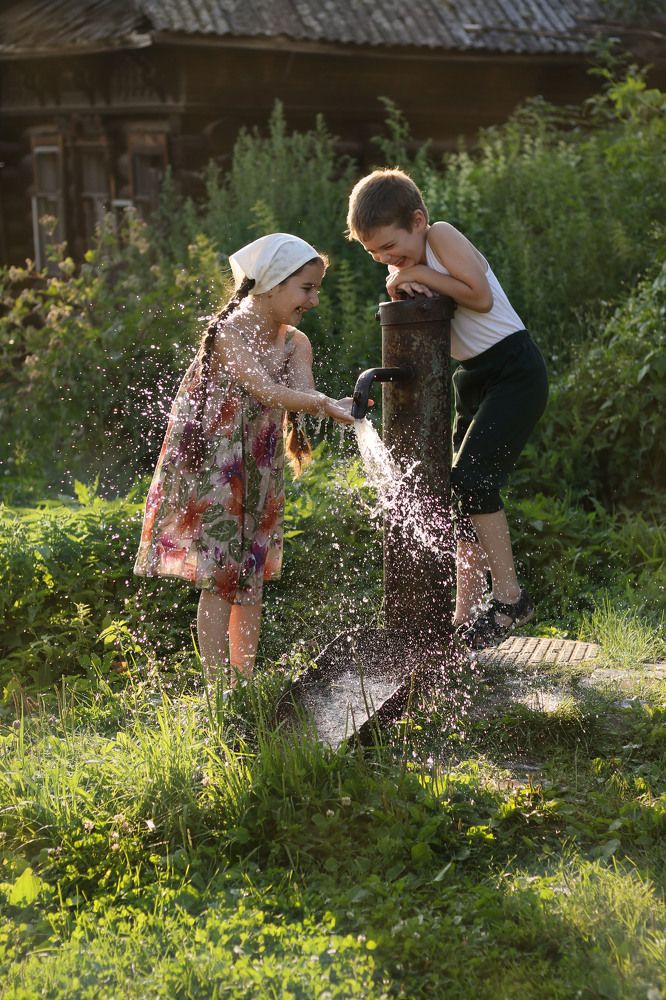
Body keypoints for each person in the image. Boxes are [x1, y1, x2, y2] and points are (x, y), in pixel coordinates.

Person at [134, 233, 354, 684]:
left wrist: (336, 405)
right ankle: (219, 691)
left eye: (316, 289)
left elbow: (303, 393)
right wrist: (324, 403)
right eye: (306, 289)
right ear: (272, 285)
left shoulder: (295, 343)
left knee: (249, 579)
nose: (313, 300)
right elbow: (266, 391)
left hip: (260, 467)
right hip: (215, 468)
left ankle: (244, 683)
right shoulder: (228, 334)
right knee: (220, 578)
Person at [346, 168, 548, 649]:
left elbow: (478, 297)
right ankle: (465, 612)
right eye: (375, 254)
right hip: (470, 379)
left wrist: (418, 273)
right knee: (454, 487)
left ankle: (510, 599)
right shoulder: (408, 266)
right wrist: (406, 280)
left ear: (418, 220)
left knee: (476, 480)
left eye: (391, 247)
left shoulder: (440, 237)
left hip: (514, 369)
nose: (387, 260)